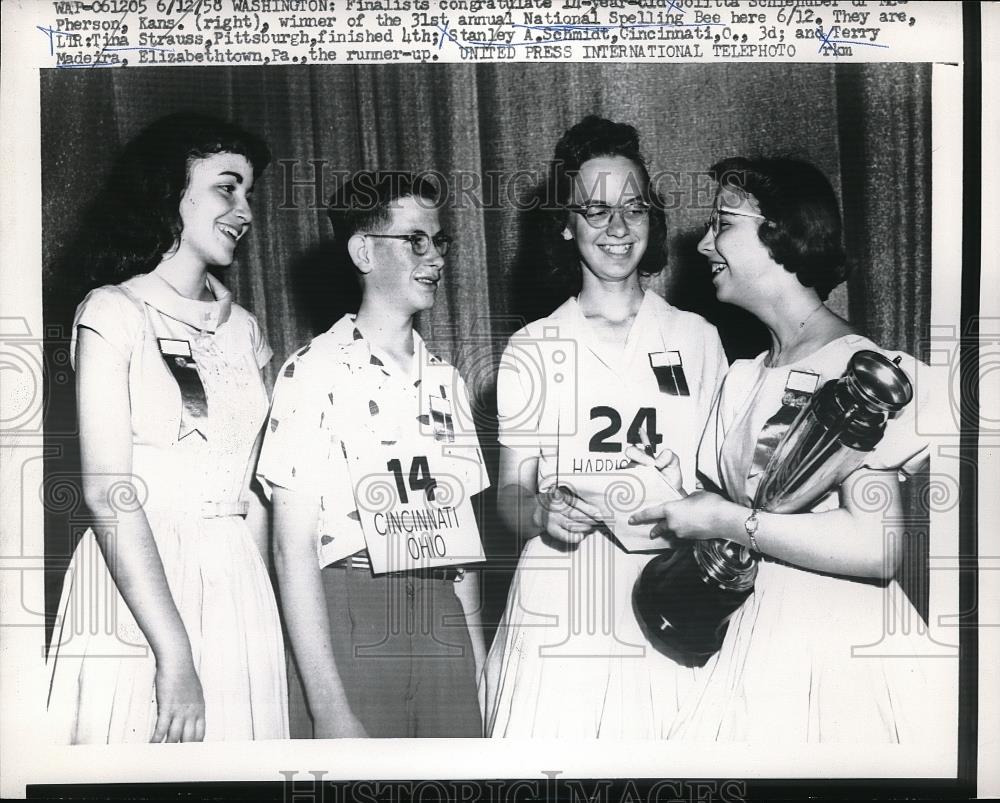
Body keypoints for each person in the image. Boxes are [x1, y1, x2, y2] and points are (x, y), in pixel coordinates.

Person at [631, 156, 953, 743]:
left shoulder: (859, 372)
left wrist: (726, 519)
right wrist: (675, 488)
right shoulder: (744, 376)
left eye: (722, 223)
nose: (704, 244)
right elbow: (739, 507)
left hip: (835, 645)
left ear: (783, 231)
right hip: (755, 627)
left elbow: (877, 547)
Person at [46, 113, 288, 743]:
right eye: (226, 187)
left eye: (250, 195)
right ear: (168, 190)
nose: (245, 211)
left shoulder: (247, 330)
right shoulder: (111, 312)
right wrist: (174, 654)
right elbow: (107, 492)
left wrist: (256, 609)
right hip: (137, 590)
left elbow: (255, 494)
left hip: (235, 583)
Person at [483, 116, 729, 738]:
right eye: (595, 210)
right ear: (565, 226)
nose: (618, 228)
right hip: (565, 596)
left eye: (633, 206)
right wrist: (540, 514)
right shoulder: (533, 346)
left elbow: (725, 485)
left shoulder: (697, 338)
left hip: (670, 593)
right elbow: (510, 497)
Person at [257, 172, 489, 738]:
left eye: (439, 242)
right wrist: (328, 705)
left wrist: (478, 663)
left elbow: (459, 545)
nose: (434, 257)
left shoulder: (447, 382)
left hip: (440, 616)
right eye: (415, 240)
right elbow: (291, 550)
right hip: (353, 612)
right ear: (364, 250)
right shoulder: (310, 372)